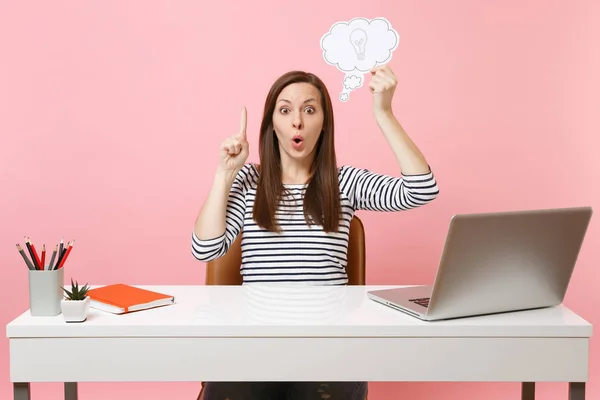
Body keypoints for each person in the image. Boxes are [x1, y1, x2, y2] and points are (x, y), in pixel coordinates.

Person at [191, 65, 439, 400]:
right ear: (271, 124)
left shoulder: (344, 183)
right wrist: (224, 174)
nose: (297, 121)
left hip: (328, 350)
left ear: (324, 123)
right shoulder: (250, 181)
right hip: (255, 348)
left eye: (309, 110)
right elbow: (205, 249)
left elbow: (421, 188)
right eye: (285, 110)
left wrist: (384, 113)